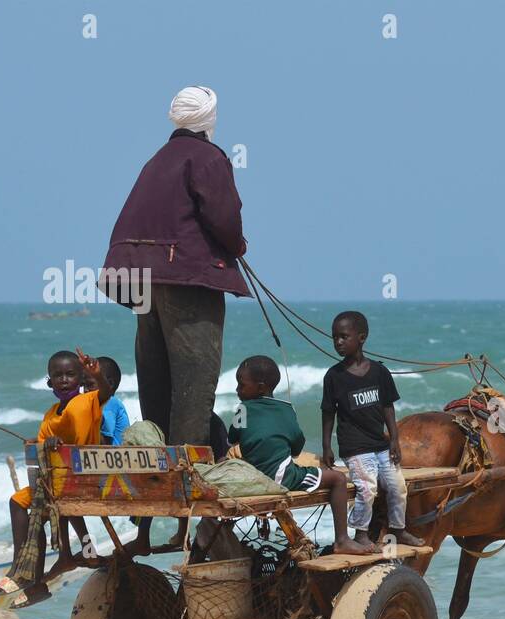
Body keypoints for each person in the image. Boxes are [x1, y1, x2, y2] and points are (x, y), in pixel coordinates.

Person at [98, 85, 248, 448]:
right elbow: (224, 217)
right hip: (187, 279)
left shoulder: (157, 159)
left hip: (142, 281)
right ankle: (186, 469)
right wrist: (237, 246)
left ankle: (156, 460)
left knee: (156, 377)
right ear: (210, 119)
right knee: (194, 379)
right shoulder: (208, 157)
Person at [0, 349, 115, 605]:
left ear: (80, 378)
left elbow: (105, 394)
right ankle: (25, 572)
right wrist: (43, 443)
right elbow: (46, 445)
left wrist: (98, 376)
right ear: (49, 380)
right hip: (59, 482)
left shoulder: (87, 401)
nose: (64, 379)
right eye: (58, 375)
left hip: (82, 478)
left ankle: (30, 573)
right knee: (19, 501)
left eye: (70, 374)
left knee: (38, 505)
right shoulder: (50, 413)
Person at [230, 355, 372, 555]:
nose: (237, 390)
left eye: (241, 385)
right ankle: (342, 540)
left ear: (260, 387)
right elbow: (297, 447)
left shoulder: (241, 410)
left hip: (253, 478)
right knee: (338, 479)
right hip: (282, 477)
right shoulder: (286, 410)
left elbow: (233, 438)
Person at [321, 311, 424, 549]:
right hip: (354, 448)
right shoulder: (333, 376)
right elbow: (328, 412)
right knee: (367, 488)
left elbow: (387, 407)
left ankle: (398, 529)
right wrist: (327, 446)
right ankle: (360, 534)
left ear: (362, 337)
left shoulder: (379, 372)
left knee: (398, 486)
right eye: (335, 337)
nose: (338, 342)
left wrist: (394, 440)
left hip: (380, 444)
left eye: (344, 337)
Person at [94, 357, 130, 445]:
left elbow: (106, 443)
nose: (85, 390)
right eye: (83, 385)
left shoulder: (109, 403)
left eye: (90, 385)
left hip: (115, 455)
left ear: (109, 384)